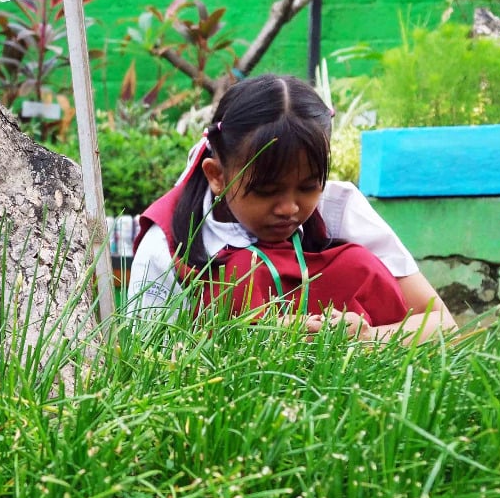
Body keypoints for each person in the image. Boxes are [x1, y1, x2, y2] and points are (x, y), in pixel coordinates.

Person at [126, 74, 455, 340]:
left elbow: (443, 325)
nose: (289, 208)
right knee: (239, 271)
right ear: (217, 176)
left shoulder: (338, 208)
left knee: (355, 265)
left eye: (308, 187)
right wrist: (254, 341)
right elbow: (147, 360)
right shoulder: (169, 244)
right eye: (266, 191)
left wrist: (363, 341)